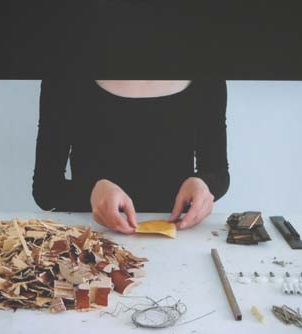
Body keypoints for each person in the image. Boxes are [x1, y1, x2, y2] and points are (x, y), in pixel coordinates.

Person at [31, 80, 230, 234]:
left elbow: (218, 173)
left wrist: (203, 185)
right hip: (92, 238)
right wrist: (91, 192)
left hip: (179, 238)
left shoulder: (207, 80)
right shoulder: (64, 78)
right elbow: (46, 189)